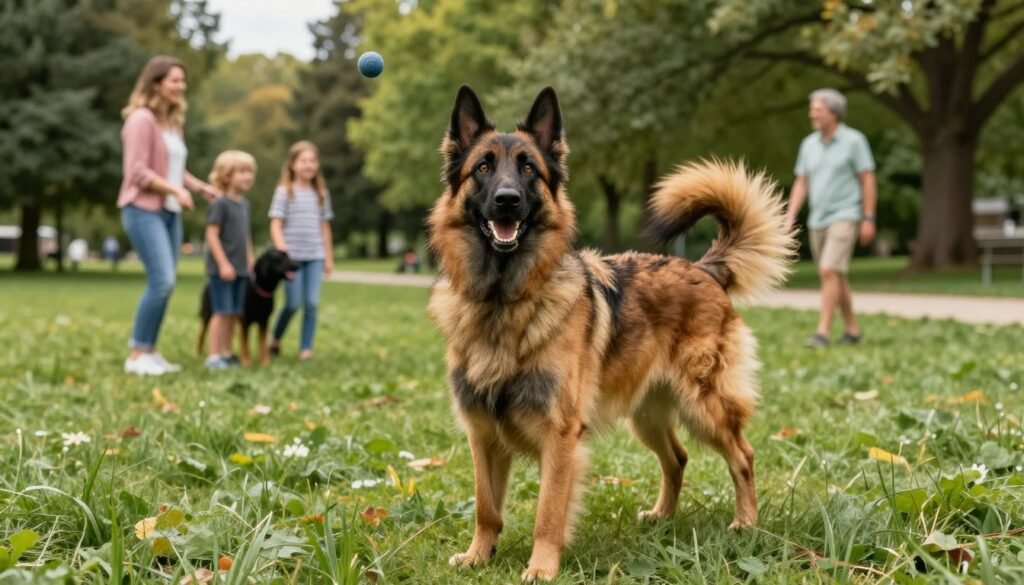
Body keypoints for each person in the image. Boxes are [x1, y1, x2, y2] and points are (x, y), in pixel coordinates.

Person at [118, 55, 220, 376]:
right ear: (156, 83)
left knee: (166, 283)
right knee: (161, 281)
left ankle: (149, 350)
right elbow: (137, 172)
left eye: (182, 81)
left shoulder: (173, 123)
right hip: (142, 209)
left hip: (168, 212)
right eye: (175, 80)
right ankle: (136, 353)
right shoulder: (140, 120)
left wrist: (200, 187)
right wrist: (174, 191)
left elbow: (175, 169)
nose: (181, 86)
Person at [784, 88, 877, 348]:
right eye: (812, 108)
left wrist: (868, 218)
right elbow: (801, 182)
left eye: (818, 109)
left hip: (846, 214)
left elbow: (868, 180)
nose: (812, 113)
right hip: (818, 219)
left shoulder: (854, 141)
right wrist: (790, 215)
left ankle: (822, 332)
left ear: (834, 113)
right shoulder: (808, 144)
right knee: (836, 275)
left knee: (828, 271)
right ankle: (852, 330)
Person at [267, 141, 334, 361]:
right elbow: (276, 223)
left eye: (313, 161)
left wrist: (328, 257)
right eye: (303, 161)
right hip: (292, 259)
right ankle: (275, 338)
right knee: (293, 303)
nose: (309, 165)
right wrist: (282, 249)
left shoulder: (321, 193)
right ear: (293, 165)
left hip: (315, 255)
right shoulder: (284, 192)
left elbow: (325, 227)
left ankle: (306, 348)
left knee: (312, 304)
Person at [204, 151, 257, 370]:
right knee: (221, 311)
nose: (248, 177)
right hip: (222, 269)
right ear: (226, 176)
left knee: (234, 312)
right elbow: (212, 235)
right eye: (242, 172)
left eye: (250, 172)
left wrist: (250, 259)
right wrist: (224, 263)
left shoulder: (244, 205)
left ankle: (226, 352)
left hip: (241, 269)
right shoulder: (220, 204)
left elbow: (245, 235)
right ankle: (213, 355)